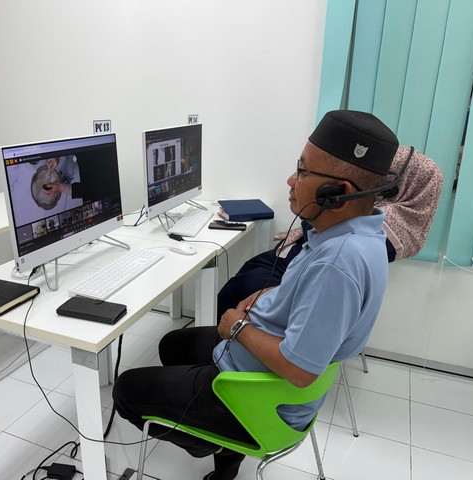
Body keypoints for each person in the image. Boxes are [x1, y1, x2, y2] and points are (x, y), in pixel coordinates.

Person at [112, 110, 400, 480]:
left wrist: (237, 328)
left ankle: (220, 442)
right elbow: (322, 296)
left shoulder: (338, 263)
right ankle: (219, 451)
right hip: (258, 363)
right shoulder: (359, 234)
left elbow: (299, 371)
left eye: (303, 171)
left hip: (259, 397)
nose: (291, 180)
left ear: (337, 194)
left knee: (126, 390)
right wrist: (280, 292)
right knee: (172, 345)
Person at [217, 144, 443, 321]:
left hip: (294, 280)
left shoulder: (374, 224)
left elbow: (321, 252)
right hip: (295, 266)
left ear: (397, 184)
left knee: (235, 291)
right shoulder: (391, 217)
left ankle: (216, 349)